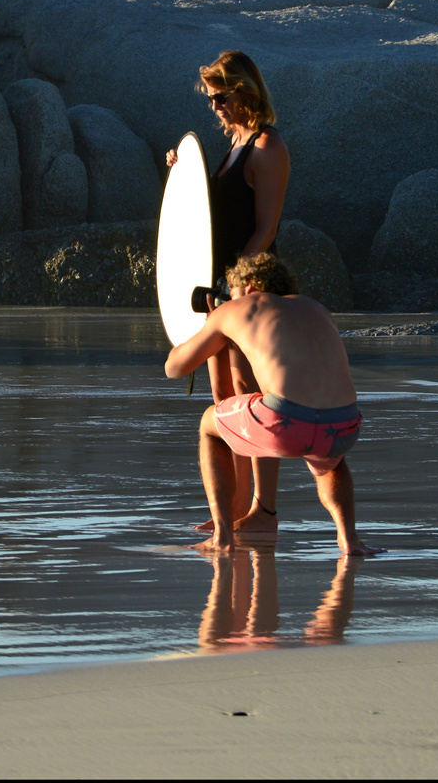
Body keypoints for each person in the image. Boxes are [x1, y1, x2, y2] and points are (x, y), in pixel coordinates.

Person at [164, 253, 379, 556]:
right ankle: (349, 539)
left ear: (249, 286)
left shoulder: (238, 309)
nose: (230, 298)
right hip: (343, 427)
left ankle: (222, 536)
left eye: (232, 290)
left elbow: (175, 368)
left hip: (287, 424)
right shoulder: (316, 308)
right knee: (331, 461)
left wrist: (213, 322)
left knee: (209, 425)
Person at [166, 50, 291, 530]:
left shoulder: (267, 147)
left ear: (245, 91)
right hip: (218, 289)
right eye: (211, 98)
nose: (215, 106)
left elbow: (265, 230)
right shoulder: (235, 144)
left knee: (252, 394)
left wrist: (236, 287)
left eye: (221, 96)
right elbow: (204, 215)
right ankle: (236, 507)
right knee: (223, 398)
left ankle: (263, 510)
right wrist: (183, 172)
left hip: (249, 288)